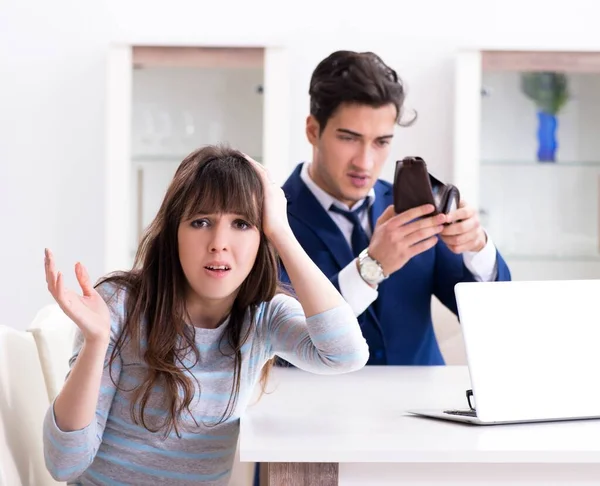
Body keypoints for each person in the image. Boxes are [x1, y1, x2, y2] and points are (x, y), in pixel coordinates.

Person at [42, 145, 369, 485]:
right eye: (201, 222)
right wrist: (96, 343)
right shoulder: (121, 305)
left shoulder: (262, 316)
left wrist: (283, 233)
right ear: (174, 233)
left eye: (242, 224)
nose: (219, 243)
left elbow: (346, 354)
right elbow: (65, 465)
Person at [280, 50, 511, 366]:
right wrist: (370, 267)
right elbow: (279, 344)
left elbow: (493, 318)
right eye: (349, 138)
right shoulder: (269, 220)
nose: (365, 162)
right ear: (313, 131)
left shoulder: (415, 208)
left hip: (427, 411)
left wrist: (477, 247)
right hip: (319, 411)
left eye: (381, 142)